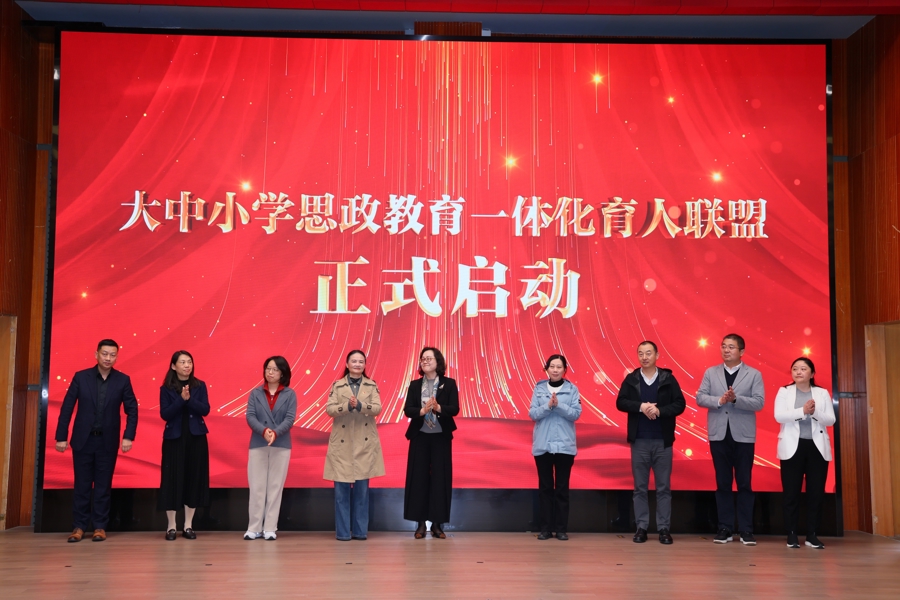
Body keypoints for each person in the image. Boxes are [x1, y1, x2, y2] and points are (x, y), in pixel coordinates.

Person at [54, 339, 138, 543]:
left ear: (117, 357)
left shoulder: (123, 380)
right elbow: (67, 408)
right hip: (83, 440)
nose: (108, 358)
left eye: (112, 355)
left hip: (107, 442)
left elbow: (132, 410)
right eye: (104, 354)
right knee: (82, 485)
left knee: (103, 486)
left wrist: (128, 436)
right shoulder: (81, 377)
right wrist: (61, 436)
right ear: (96, 354)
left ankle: (100, 526)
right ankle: (79, 527)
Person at [696, 333, 765, 545]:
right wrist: (719, 400)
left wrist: (736, 400)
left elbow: (759, 402)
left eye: (731, 347)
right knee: (723, 482)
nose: (726, 350)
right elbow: (700, 397)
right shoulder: (711, 372)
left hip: (743, 436)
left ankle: (746, 530)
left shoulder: (754, 374)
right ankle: (724, 528)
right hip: (719, 434)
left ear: (742, 351)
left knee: (744, 482)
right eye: (724, 346)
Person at [615, 341, 686, 545]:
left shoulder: (668, 379)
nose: (644, 357)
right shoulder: (631, 379)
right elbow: (620, 402)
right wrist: (641, 406)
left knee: (663, 487)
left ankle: (663, 529)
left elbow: (680, 404)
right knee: (640, 487)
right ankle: (642, 527)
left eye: (648, 353)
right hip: (639, 441)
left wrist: (660, 411)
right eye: (640, 353)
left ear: (657, 355)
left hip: (663, 442)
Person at [324, 349, 385, 541]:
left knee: (362, 493)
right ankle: (343, 533)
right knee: (341, 494)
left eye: (361, 361)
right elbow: (329, 409)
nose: (357, 364)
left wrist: (360, 405)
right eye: (354, 361)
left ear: (365, 365)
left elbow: (377, 408)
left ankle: (360, 532)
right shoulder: (337, 385)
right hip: (342, 444)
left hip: (363, 444)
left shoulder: (371, 385)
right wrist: (346, 407)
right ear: (347, 364)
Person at [774, 357, 835, 549]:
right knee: (791, 493)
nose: (798, 372)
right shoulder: (784, 391)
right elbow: (779, 416)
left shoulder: (822, 393)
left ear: (812, 373)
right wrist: (803, 411)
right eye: (795, 369)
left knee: (815, 493)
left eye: (803, 369)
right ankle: (792, 534)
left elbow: (830, 419)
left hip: (817, 448)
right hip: (792, 447)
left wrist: (813, 412)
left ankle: (812, 534)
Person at [403, 347, 459, 539]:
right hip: (420, 435)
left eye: (429, 358)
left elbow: (454, 409)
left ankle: (437, 524)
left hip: (440, 437)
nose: (425, 361)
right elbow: (408, 409)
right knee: (418, 479)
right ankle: (420, 524)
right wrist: (422, 411)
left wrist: (438, 407)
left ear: (438, 361)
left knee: (440, 479)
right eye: (423, 359)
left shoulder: (449, 383)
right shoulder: (414, 385)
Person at [529, 354, 582, 541]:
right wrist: (547, 405)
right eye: (552, 366)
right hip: (543, 446)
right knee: (545, 489)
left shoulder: (572, 389)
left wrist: (558, 406)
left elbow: (576, 414)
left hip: (565, 446)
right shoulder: (539, 389)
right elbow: (533, 414)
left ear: (565, 370)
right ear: (547, 368)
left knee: (562, 489)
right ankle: (545, 529)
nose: (555, 370)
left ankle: (561, 529)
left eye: (559, 367)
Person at [158, 350, 210, 541]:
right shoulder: (166, 388)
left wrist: (190, 399)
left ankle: (188, 525)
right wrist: (181, 399)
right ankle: (171, 526)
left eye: (189, 362)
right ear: (173, 366)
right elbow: (165, 414)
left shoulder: (199, 385)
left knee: (193, 479)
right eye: (182, 362)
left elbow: (205, 409)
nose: (187, 365)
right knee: (172, 479)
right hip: (174, 439)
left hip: (196, 438)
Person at [245, 356, 297, 541]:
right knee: (257, 487)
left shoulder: (290, 394)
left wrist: (275, 433)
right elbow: (250, 416)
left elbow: (290, 419)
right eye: (268, 368)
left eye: (275, 369)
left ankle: (270, 528)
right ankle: (254, 528)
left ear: (282, 373)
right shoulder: (255, 393)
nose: (270, 372)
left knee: (275, 487)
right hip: (258, 442)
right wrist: (264, 431)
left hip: (281, 444)